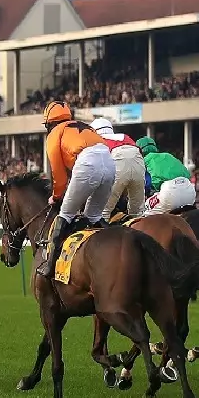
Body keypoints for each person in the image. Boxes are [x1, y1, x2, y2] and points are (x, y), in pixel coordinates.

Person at [40, 101, 117, 278]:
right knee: (94, 216)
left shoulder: (54, 134)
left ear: (50, 123)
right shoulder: (85, 127)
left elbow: (58, 173)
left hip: (88, 163)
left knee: (65, 214)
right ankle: (114, 246)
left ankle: (49, 265)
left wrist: (56, 196)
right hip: (109, 163)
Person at [90, 117, 147, 219]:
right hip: (138, 160)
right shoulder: (125, 136)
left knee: (103, 211)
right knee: (138, 212)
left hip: (117, 160)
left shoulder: (96, 140)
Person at [137, 136, 197, 214]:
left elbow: (145, 185)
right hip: (189, 190)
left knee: (142, 212)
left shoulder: (143, 161)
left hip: (169, 192)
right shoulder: (167, 155)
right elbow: (187, 174)